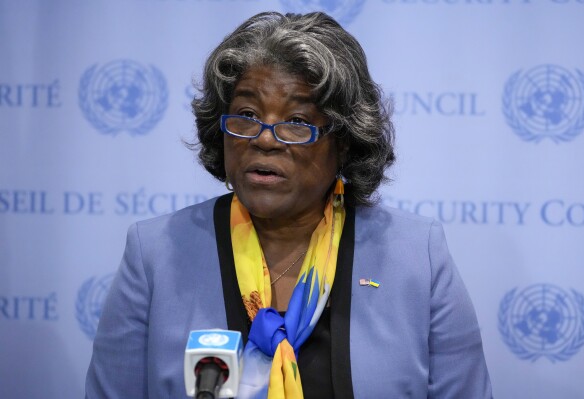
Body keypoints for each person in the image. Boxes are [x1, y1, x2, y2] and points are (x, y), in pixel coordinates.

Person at [85, 11, 492, 399]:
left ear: (345, 140)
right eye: (246, 113)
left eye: (296, 120)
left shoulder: (416, 257)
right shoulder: (155, 253)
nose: (264, 139)